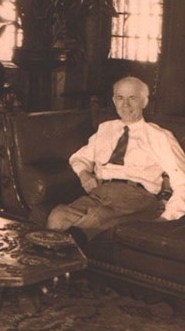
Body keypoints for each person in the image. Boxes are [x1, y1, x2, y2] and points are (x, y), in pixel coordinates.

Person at [47, 76, 185, 245]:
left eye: (132, 98)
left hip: (138, 197)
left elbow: (182, 179)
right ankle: (55, 268)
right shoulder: (106, 129)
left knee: (94, 220)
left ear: (145, 102)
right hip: (100, 193)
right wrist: (84, 174)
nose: (125, 105)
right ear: (114, 100)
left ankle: (68, 252)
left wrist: (167, 216)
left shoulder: (159, 136)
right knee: (58, 215)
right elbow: (79, 157)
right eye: (120, 98)